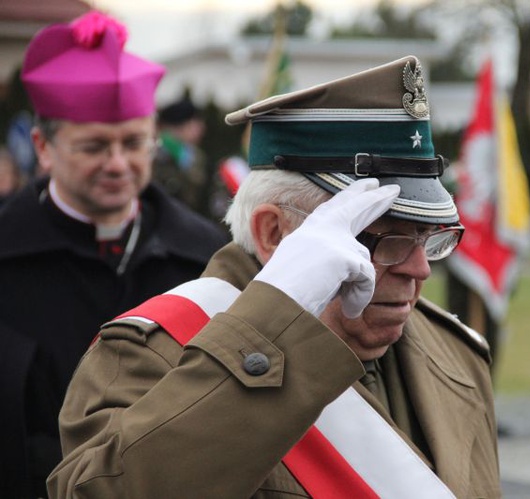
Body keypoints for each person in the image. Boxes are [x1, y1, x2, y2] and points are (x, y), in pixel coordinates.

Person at [47, 55, 502, 498]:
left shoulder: (455, 353)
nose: (420, 268)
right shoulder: (146, 355)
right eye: (383, 237)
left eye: (426, 237)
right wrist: (274, 321)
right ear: (274, 233)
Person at [0, 12, 228, 498]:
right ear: (43, 147)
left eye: (133, 143)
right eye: (94, 146)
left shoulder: (207, 257)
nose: (118, 164)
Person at [152, 95, 210, 216]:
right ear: (181, 125)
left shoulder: (195, 155)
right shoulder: (156, 153)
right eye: (196, 123)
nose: (202, 129)